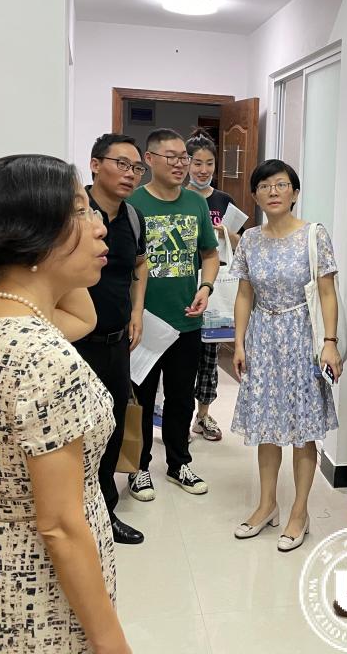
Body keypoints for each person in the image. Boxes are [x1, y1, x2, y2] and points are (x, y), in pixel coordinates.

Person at [0, 154, 130, 653]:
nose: (99, 225)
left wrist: (63, 273)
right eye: (80, 210)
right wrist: (111, 641)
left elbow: (84, 320)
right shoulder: (45, 358)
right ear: (36, 234)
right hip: (42, 588)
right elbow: (60, 527)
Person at [229, 159, 341, 553]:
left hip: (302, 337)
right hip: (263, 336)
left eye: (281, 184)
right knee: (266, 425)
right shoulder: (249, 240)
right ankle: (267, 505)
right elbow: (244, 294)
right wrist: (239, 342)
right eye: (265, 186)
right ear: (255, 195)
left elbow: (326, 292)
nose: (273, 192)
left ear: (294, 193)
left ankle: (299, 511)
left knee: (302, 428)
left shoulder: (314, 234)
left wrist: (330, 341)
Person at [127, 128, 219, 499]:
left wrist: (205, 287)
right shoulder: (132, 203)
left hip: (186, 321)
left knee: (181, 397)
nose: (181, 164)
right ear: (149, 159)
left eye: (184, 157)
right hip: (144, 324)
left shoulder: (196, 203)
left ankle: (179, 463)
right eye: (173, 157)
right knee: (141, 398)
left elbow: (209, 254)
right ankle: (138, 467)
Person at [73, 133, 148, 546]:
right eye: (122, 164)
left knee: (112, 426)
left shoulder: (133, 218)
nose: (130, 174)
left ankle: (105, 511)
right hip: (75, 344)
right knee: (75, 432)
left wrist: (137, 311)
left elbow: (140, 265)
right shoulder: (73, 214)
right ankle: (73, 517)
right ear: (95, 164)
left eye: (136, 167)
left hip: (118, 344)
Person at [185, 128, 241, 442]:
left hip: (214, 287)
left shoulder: (223, 200)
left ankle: (203, 416)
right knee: (181, 356)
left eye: (209, 163)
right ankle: (176, 416)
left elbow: (238, 244)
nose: (203, 170)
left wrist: (223, 233)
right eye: (197, 163)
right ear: (186, 164)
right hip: (183, 285)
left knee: (209, 357)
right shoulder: (178, 197)